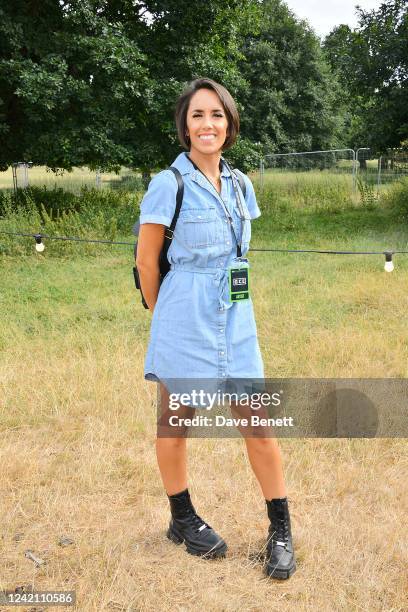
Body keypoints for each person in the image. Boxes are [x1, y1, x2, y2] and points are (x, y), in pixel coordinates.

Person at [135, 78, 296, 579]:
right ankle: (182, 518)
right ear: (185, 125)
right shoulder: (169, 183)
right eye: (198, 115)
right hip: (184, 312)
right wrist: (168, 319)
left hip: (236, 316)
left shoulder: (242, 183)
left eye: (217, 115)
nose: (208, 125)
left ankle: (281, 531)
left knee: (259, 425)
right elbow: (146, 260)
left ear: (230, 124)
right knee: (176, 421)